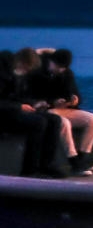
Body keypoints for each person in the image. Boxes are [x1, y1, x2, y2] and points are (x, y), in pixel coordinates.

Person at [32, 49, 93, 175]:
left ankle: (82, 158)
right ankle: (73, 160)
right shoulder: (37, 73)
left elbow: (74, 93)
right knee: (63, 123)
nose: (60, 70)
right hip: (47, 110)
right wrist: (53, 102)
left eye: (63, 68)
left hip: (64, 109)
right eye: (58, 66)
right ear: (50, 62)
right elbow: (34, 96)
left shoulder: (66, 73)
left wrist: (74, 101)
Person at [1, 49, 63, 178]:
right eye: (26, 68)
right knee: (38, 123)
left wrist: (34, 103)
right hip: (4, 115)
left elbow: (17, 96)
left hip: (12, 110)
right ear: (20, 62)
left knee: (54, 120)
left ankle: (47, 165)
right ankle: (29, 170)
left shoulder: (17, 75)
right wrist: (19, 106)